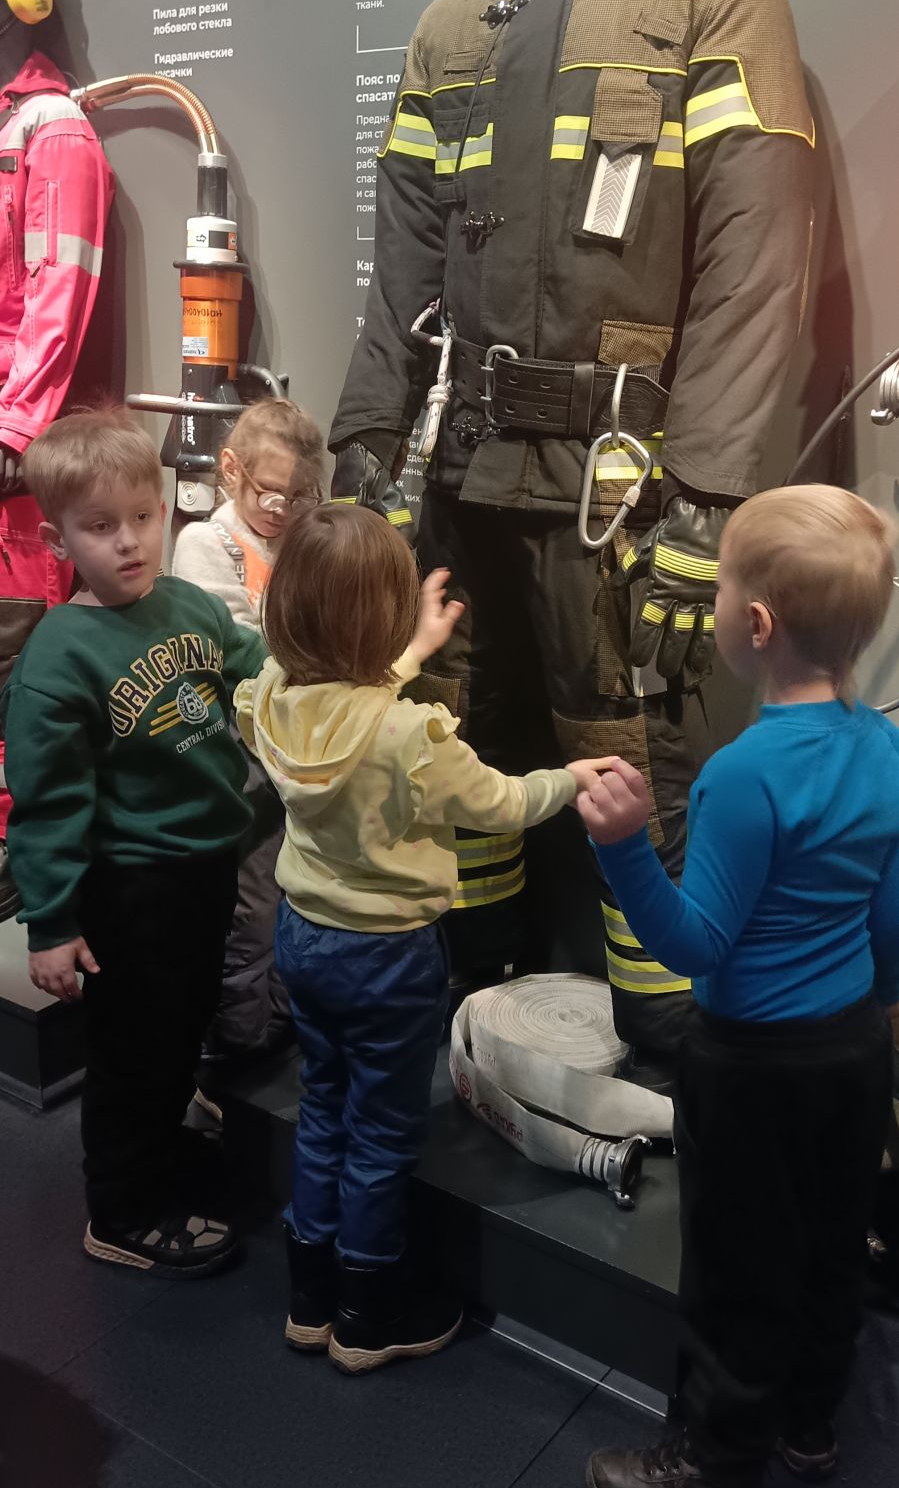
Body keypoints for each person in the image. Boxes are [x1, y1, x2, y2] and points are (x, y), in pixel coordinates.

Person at [329, 0, 814, 1085]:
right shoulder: (450, 26)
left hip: (625, 491)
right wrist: (365, 465)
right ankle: (474, 971)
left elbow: (757, 273)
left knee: (633, 753)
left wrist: (709, 500)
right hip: (465, 473)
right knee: (455, 727)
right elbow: (399, 275)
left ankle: (664, 1024)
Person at [574, 485, 899, 1488]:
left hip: (752, 1063)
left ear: (754, 624)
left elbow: (695, 945)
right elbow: (892, 919)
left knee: (737, 1266)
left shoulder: (740, 776)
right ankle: (808, 1422)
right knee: (832, 1242)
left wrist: (622, 846)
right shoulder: (887, 747)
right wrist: (867, 1012)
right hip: (853, 1050)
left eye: (717, 587)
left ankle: (718, 1470)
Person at [235, 503, 609, 1374]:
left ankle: (309, 1297)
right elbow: (500, 804)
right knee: (382, 1132)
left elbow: (347, 710)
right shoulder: (413, 736)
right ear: (384, 620)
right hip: (388, 958)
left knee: (324, 1107)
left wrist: (412, 655)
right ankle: (368, 1316)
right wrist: (569, 778)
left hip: (304, 939)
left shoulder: (272, 694)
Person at [3, 408, 265, 1275]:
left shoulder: (189, 605)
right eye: (100, 526)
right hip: (132, 888)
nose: (129, 541)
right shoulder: (58, 661)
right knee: (132, 1050)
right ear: (57, 539)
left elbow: (254, 668)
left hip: (205, 865)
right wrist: (51, 924)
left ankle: (160, 1152)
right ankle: (121, 1210)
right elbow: (47, 807)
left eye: (143, 517)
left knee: (180, 1027)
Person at [0, 0, 115, 916]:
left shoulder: (55, 130)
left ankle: (22, 854)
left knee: (20, 657)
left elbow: (58, 286)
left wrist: (14, 429)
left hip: (23, 466)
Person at [173, 399, 324, 1064]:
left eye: (301, 495)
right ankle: (238, 1041)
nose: (284, 510)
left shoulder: (301, 538)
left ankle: (284, 1022)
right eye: (272, 493)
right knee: (255, 902)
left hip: (304, 746)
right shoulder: (206, 545)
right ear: (231, 469)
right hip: (245, 755)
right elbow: (241, 652)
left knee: (302, 890)